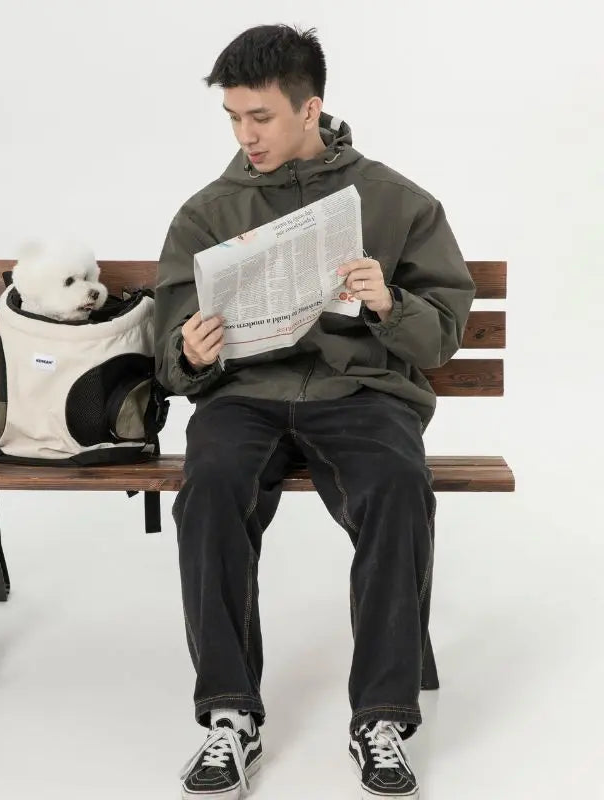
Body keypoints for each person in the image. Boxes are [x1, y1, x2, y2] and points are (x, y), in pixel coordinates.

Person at [154, 23, 475, 800]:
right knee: (210, 487)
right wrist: (190, 352)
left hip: (359, 395)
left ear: (310, 108)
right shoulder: (208, 212)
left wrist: (388, 304)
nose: (245, 135)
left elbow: (441, 337)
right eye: (234, 117)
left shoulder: (397, 202)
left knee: (398, 485)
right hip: (245, 398)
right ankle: (230, 714)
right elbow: (167, 353)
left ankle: (383, 719)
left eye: (260, 116)